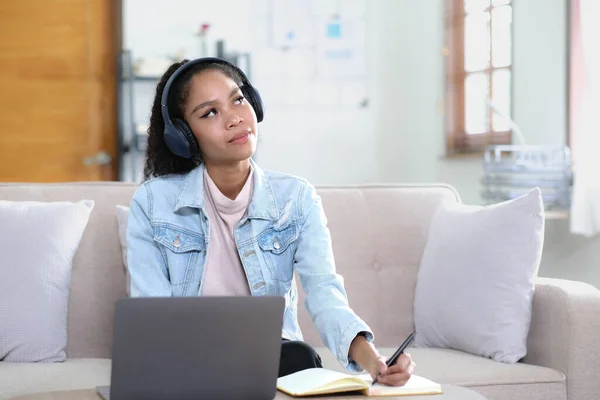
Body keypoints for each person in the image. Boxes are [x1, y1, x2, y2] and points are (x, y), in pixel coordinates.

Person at [126, 57, 415, 385]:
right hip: (186, 361)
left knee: (300, 356)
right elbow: (152, 316)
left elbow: (324, 292)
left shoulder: (296, 197)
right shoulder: (152, 203)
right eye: (210, 112)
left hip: (271, 361)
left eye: (238, 99)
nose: (235, 118)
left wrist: (372, 360)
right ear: (183, 136)